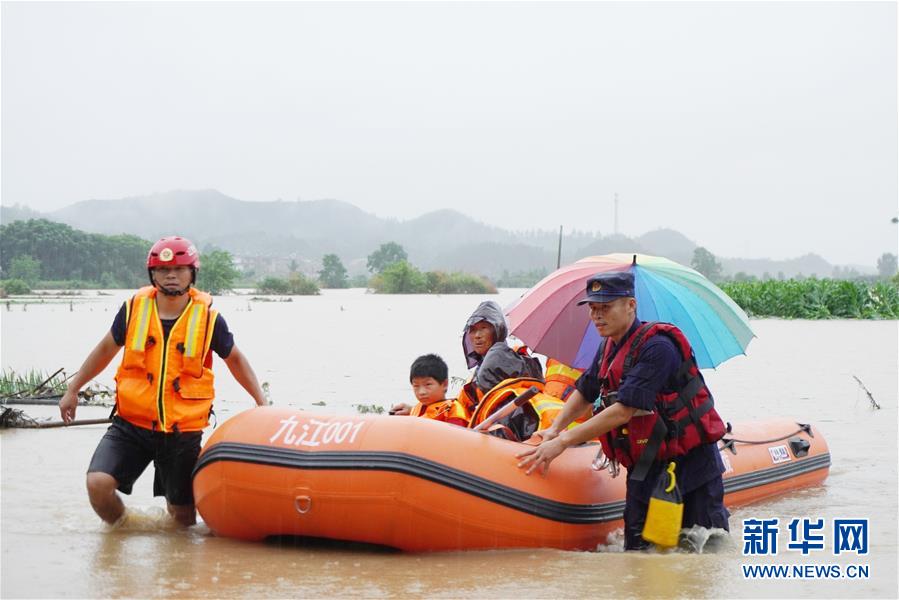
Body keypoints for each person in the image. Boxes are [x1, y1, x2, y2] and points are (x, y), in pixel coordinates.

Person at [58, 236, 268, 528]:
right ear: (152, 274)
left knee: (182, 517)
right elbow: (105, 349)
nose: (172, 275)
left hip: (182, 433)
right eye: (164, 269)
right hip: (131, 424)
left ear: (192, 273)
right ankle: (123, 529)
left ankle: (174, 564)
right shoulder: (133, 310)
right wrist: (72, 389)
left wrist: (261, 402)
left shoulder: (208, 318)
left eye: (180, 269)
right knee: (97, 484)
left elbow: (235, 360)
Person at [516, 271, 729, 551]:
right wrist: (555, 428)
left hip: (690, 467)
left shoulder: (658, 348)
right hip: (645, 468)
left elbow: (624, 410)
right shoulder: (607, 347)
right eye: (593, 308)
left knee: (701, 549)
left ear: (631, 305)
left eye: (605, 307)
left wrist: (564, 441)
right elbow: (585, 389)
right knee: (639, 553)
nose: (597, 316)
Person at [391, 300, 542, 423]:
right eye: (473, 330)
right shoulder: (492, 359)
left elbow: (477, 410)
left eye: (483, 328)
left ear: (498, 330)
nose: (477, 336)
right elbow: (467, 404)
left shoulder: (498, 358)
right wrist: (415, 410)